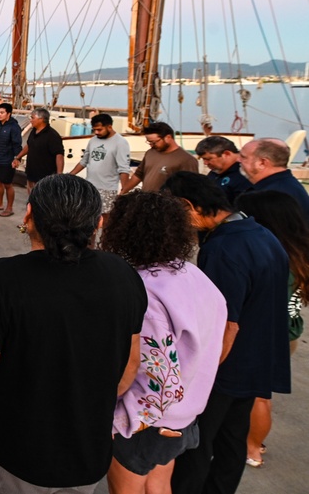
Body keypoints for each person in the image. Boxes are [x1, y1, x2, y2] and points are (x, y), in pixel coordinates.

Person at [0, 174, 147, 492]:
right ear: (98, 222)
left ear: (29, 215)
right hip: (88, 456)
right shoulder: (122, 274)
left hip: (16, 457)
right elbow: (130, 365)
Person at [163, 172, 290, 494]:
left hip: (225, 368)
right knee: (232, 443)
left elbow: (225, 324)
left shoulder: (222, 247)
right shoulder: (262, 234)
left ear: (188, 206)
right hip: (256, 363)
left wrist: (198, 376)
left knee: (197, 447)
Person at [100, 192, 228, 494]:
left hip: (147, 422)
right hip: (184, 415)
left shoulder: (144, 289)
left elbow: (157, 377)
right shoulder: (194, 275)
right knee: (158, 484)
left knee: (126, 489)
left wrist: (119, 422)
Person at [232, 190, 309, 468]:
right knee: (261, 394)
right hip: (290, 332)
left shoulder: (272, 255)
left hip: (269, 335)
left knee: (258, 395)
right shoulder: (299, 252)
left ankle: (252, 448)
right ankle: (253, 443)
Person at [69, 112, 132, 217]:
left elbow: (123, 169)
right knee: (87, 216)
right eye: (94, 130)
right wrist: (69, 175)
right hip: (90, 185)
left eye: (99, 130)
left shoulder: (120, 143)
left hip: (107, 188)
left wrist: (124, 191)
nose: (96, 132)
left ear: (109, 127)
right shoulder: (93, 140)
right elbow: (84, 161)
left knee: (105, 218)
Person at [239, 138, 309, 219]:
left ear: (262, 163)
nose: (238, 160)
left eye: (243, 157)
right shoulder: (287, 186)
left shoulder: (272, 196)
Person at [120, 121, 198, 194]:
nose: (151, 145)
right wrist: (123, 192)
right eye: (149, 142)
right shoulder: (150, 153)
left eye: (154, 142)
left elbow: (190, 188)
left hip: (168, 205)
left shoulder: (187, 160)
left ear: (168, 137)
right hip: (145, 202)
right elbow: (139, 174)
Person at [12, 108, 65, 191]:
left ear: (41, 119)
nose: (31, 120)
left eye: (33, 118)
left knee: (42, 198)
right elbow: (29, 146)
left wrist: (59, 175)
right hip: (31, 172)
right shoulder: (33, 131)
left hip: (45, 175)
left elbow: (59, 155)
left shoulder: (52, 136)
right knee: (31, 196)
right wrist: (18, 157)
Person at [195, 135, 251, 203]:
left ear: (226, 154)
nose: (205, 163)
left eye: (208, 159)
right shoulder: (214, 172)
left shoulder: (245, 174)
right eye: (203, 159)